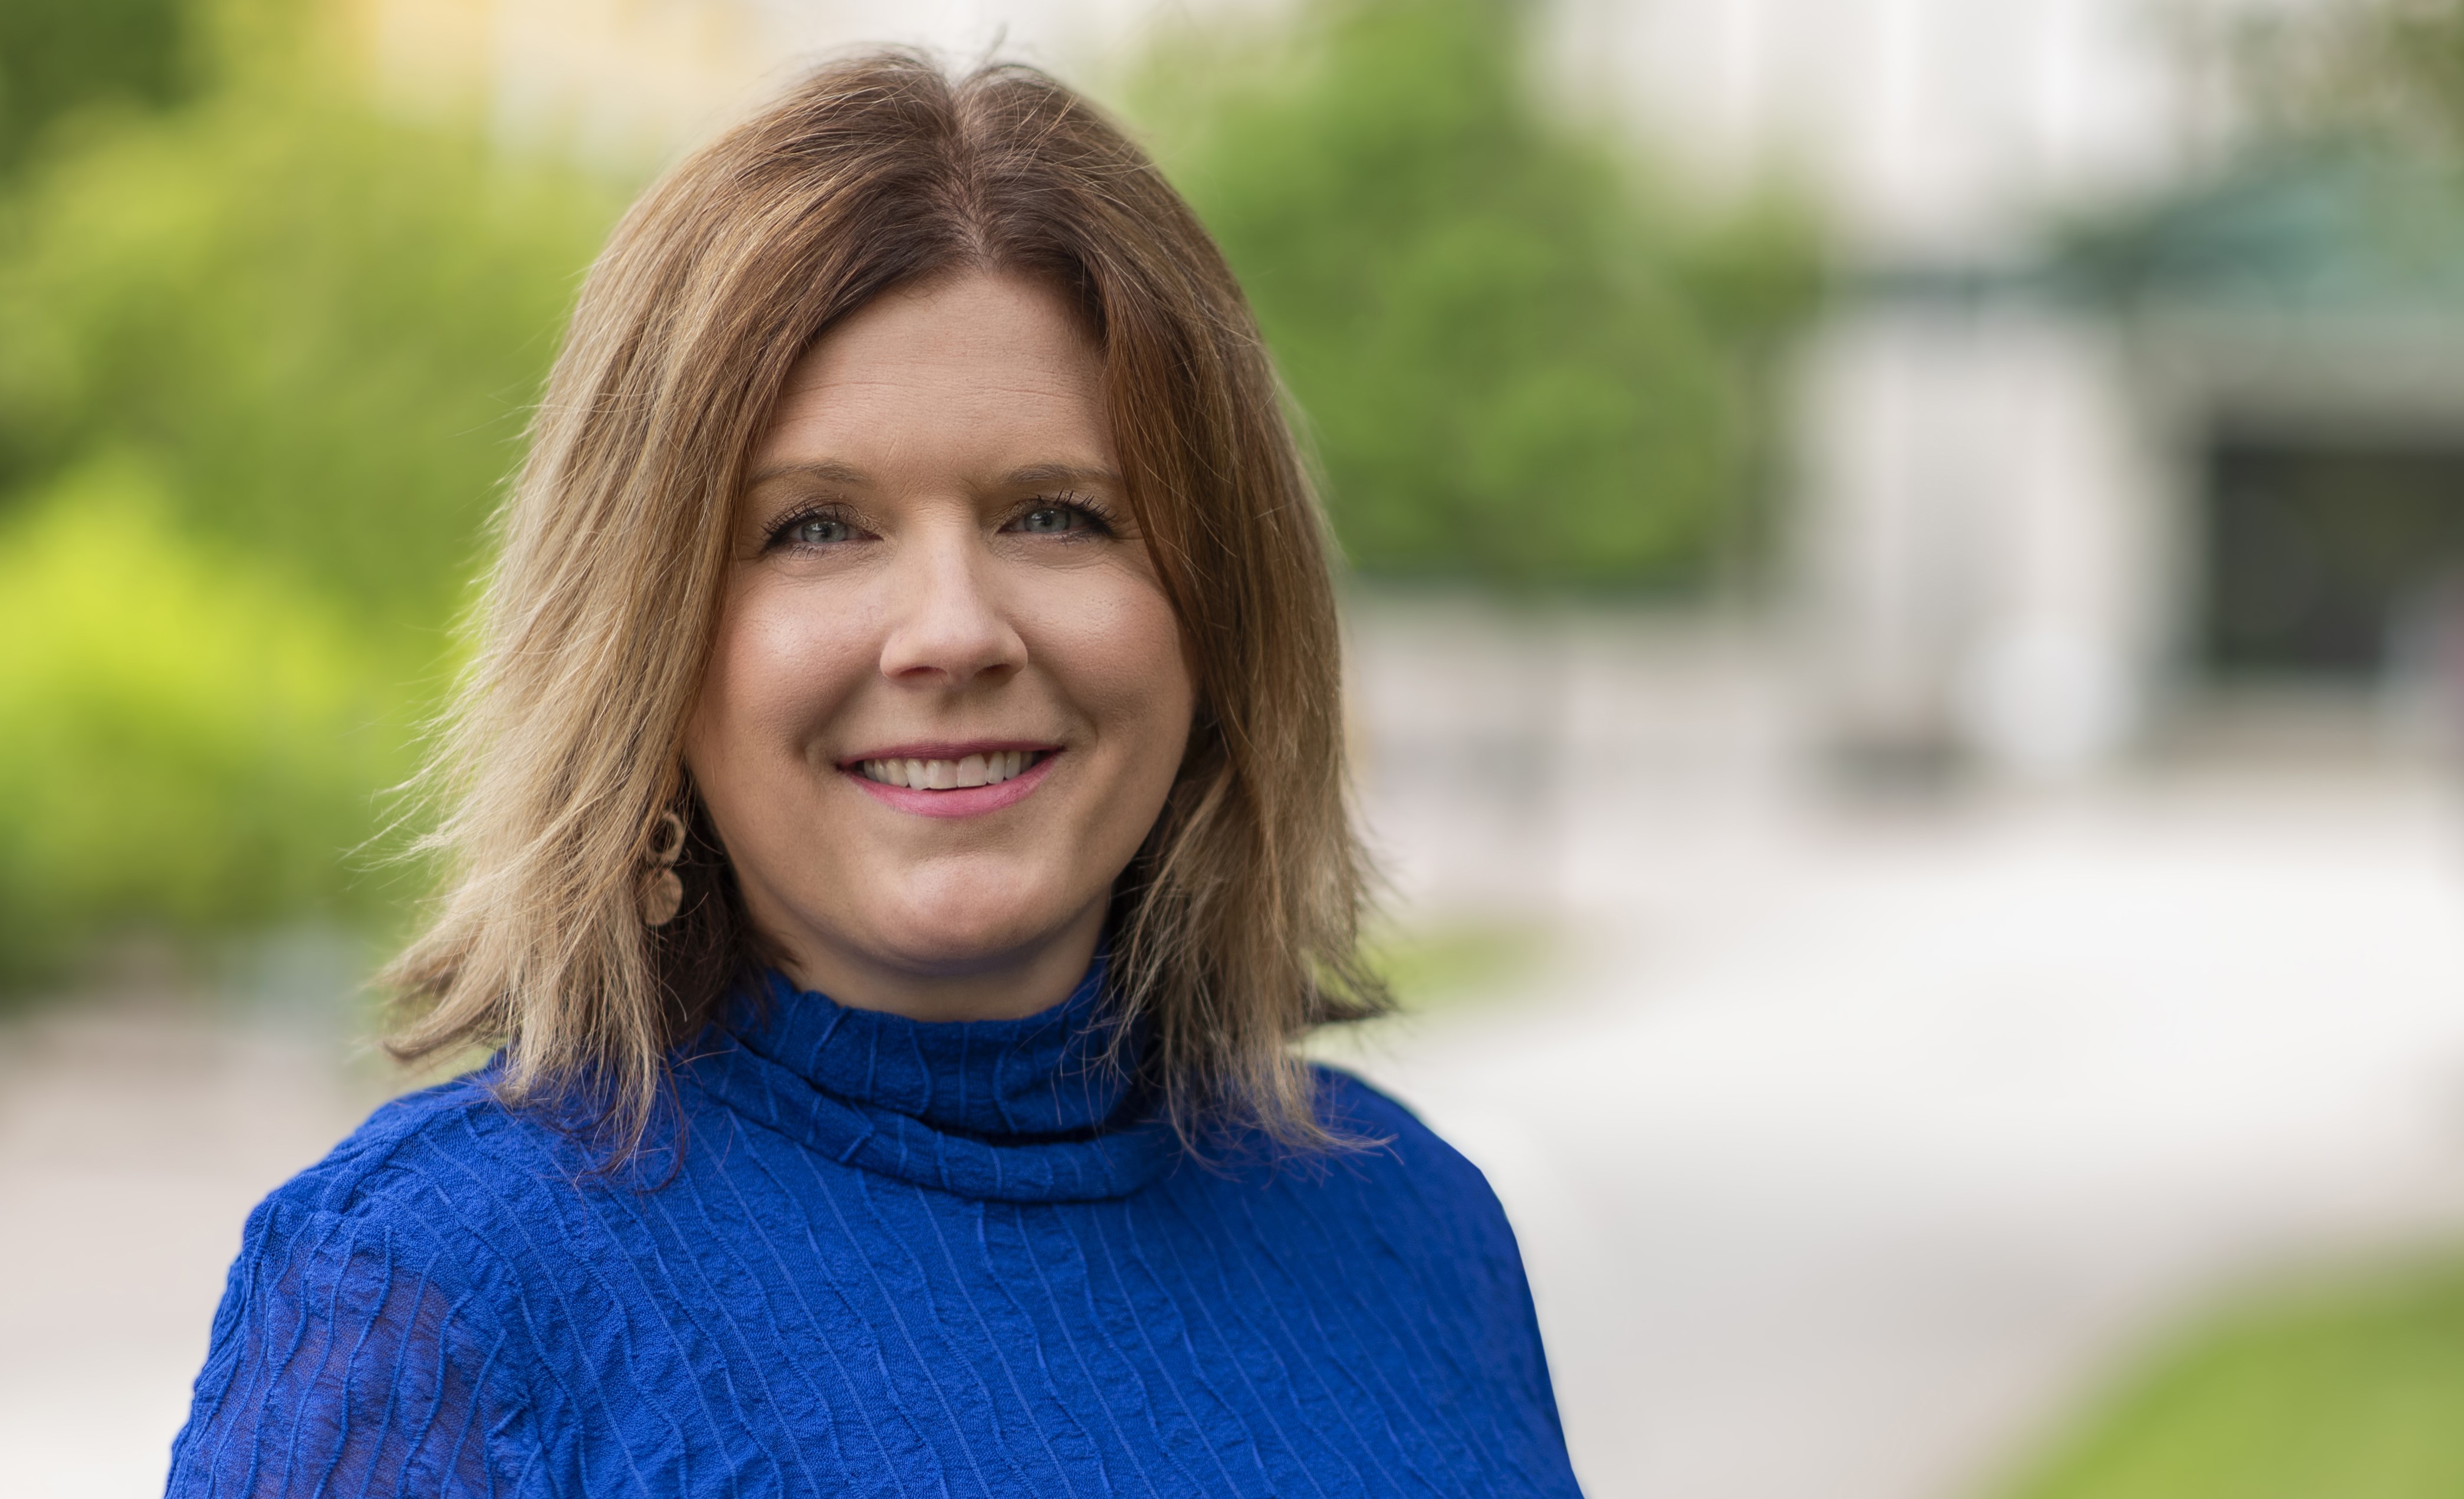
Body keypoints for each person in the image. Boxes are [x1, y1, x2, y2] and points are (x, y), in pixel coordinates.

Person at [165, 52, 1581, 1498]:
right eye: (816, 528)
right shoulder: (423, 1296)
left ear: (1217, 614)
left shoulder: (1414, 1229)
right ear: (641, 640)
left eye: (1056, 513)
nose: (953, 631)